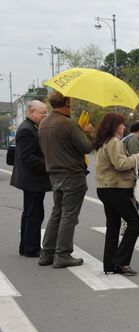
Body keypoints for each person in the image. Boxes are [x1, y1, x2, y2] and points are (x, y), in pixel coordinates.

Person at [38, 91, 93, 268]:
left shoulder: (43, 123)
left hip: (54, 174)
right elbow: (86, 147)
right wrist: (87, 133)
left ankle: (46, 253)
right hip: (72, 174)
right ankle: (62, 254)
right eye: (71, 102)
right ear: (67, 103)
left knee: (57, 213)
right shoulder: (69, 124)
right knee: (68, 215)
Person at [94, 113, 139, 275]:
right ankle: (121, 261)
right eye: (121, 124)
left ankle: (109, 264)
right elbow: (120, 164)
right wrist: (136, 157)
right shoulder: (114, 142)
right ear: (114, 126)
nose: (124, 127)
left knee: (113, 226)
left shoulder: (103, 142)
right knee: (134, 221)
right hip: (115, 188)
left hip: (104, 188)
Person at [10, 100, 50, 257]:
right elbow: (27, 157)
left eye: (46, 112)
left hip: (31, 179)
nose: (45, 115)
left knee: (31, 212)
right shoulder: (27, 129)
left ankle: (26, 247)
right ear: (31, 112)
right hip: (32, 180)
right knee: (34, 214)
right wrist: (48, 166)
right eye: (42, 113)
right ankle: (31, 248)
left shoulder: (31, 127)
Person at [122, 120, 139, 237]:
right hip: (131, 175)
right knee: (132, 202)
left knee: (132, 202)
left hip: (128, 175)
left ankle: (129, 228)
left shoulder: (128, 138)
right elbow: (137, 157)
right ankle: (130, 229)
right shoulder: (133, 140)